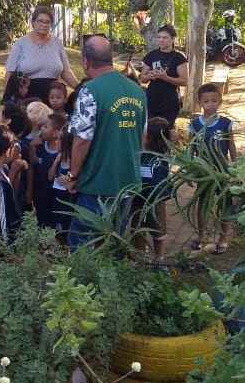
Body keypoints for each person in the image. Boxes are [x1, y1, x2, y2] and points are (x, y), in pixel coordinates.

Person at [66, 35, 147, 250]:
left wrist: (72, 176)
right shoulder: (138, 91)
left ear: (85, 61)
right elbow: (143, 138)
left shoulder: (89, 91)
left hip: (97, 185)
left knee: (81, 243)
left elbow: (82, 140)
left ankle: (82, 283)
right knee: (113, 243)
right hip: (128, 181)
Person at [188, 83, 238, 254]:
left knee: (225, 202)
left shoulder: (225, 124)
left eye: (214, 101)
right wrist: (188, 171)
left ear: (220, 101)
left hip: (222, 170)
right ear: (200, 103)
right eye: (206, 101)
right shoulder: (194, 125)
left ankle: (223, 238)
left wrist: (236, 166)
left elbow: (231, 146)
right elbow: (190, 148)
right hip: (203, 173)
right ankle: (201, 235)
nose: (210, 104)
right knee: (202, 203)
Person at [2, 5, 79, 102]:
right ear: (33, 22)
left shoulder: (57, 43)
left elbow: (65, 71)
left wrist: (80, 89)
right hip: (26, 102)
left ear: (51, 24)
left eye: (47, 22)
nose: (44, 24)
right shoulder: (21, 43)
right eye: (40, 21)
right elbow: (9, 73)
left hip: (53, 100)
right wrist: (6, 101)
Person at [125, 24, 188, 140]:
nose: (161, 40)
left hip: (170, 101)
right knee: (150, 129)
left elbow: (184, 81)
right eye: (159, 37)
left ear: (172, 39)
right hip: (152, 99)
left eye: (165, 37)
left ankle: (168, 154)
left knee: (168, 129)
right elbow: (142, 79)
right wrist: (149, 76)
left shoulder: (179, 57)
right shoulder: (151, 55)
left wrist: (166, 77)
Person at [131, 117, 173, 259]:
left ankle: (159, 259)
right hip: (137, 199)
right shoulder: (138, 152)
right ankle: (141, 258)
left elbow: (173, 134)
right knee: (138, 230)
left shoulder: (164, 153)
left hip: (155, 201)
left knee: (158, 232)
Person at [29, 112, 65, 229]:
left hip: (54, 199)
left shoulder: (61, 153)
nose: (42, 129)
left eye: (45, 127)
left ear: (55, 133)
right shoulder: (40, 145)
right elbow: (33, 163)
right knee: (41, 223)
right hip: (39, 195)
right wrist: (32, 147)